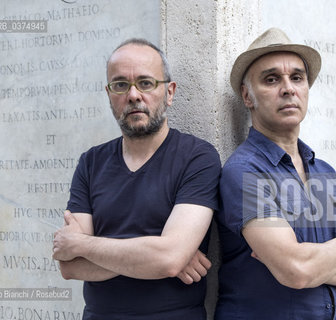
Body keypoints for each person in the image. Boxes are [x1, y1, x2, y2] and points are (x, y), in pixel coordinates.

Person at [216, 28, 336, 320]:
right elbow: (296, 271)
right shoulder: (245, 172)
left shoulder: (325, 173)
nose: (288, 88)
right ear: (247, 95)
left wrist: (306, 264)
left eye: (297, 78)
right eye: (271, 79)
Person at [52, 38, 221, 320]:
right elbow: (70, 266)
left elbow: (168, 258)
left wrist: (82, 245)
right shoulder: (91, 162)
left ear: (169, 92)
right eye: (120, 85)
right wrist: (157, 254)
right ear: (109, 94)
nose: (133, 95)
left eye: (145, 83)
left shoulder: (197, 157)